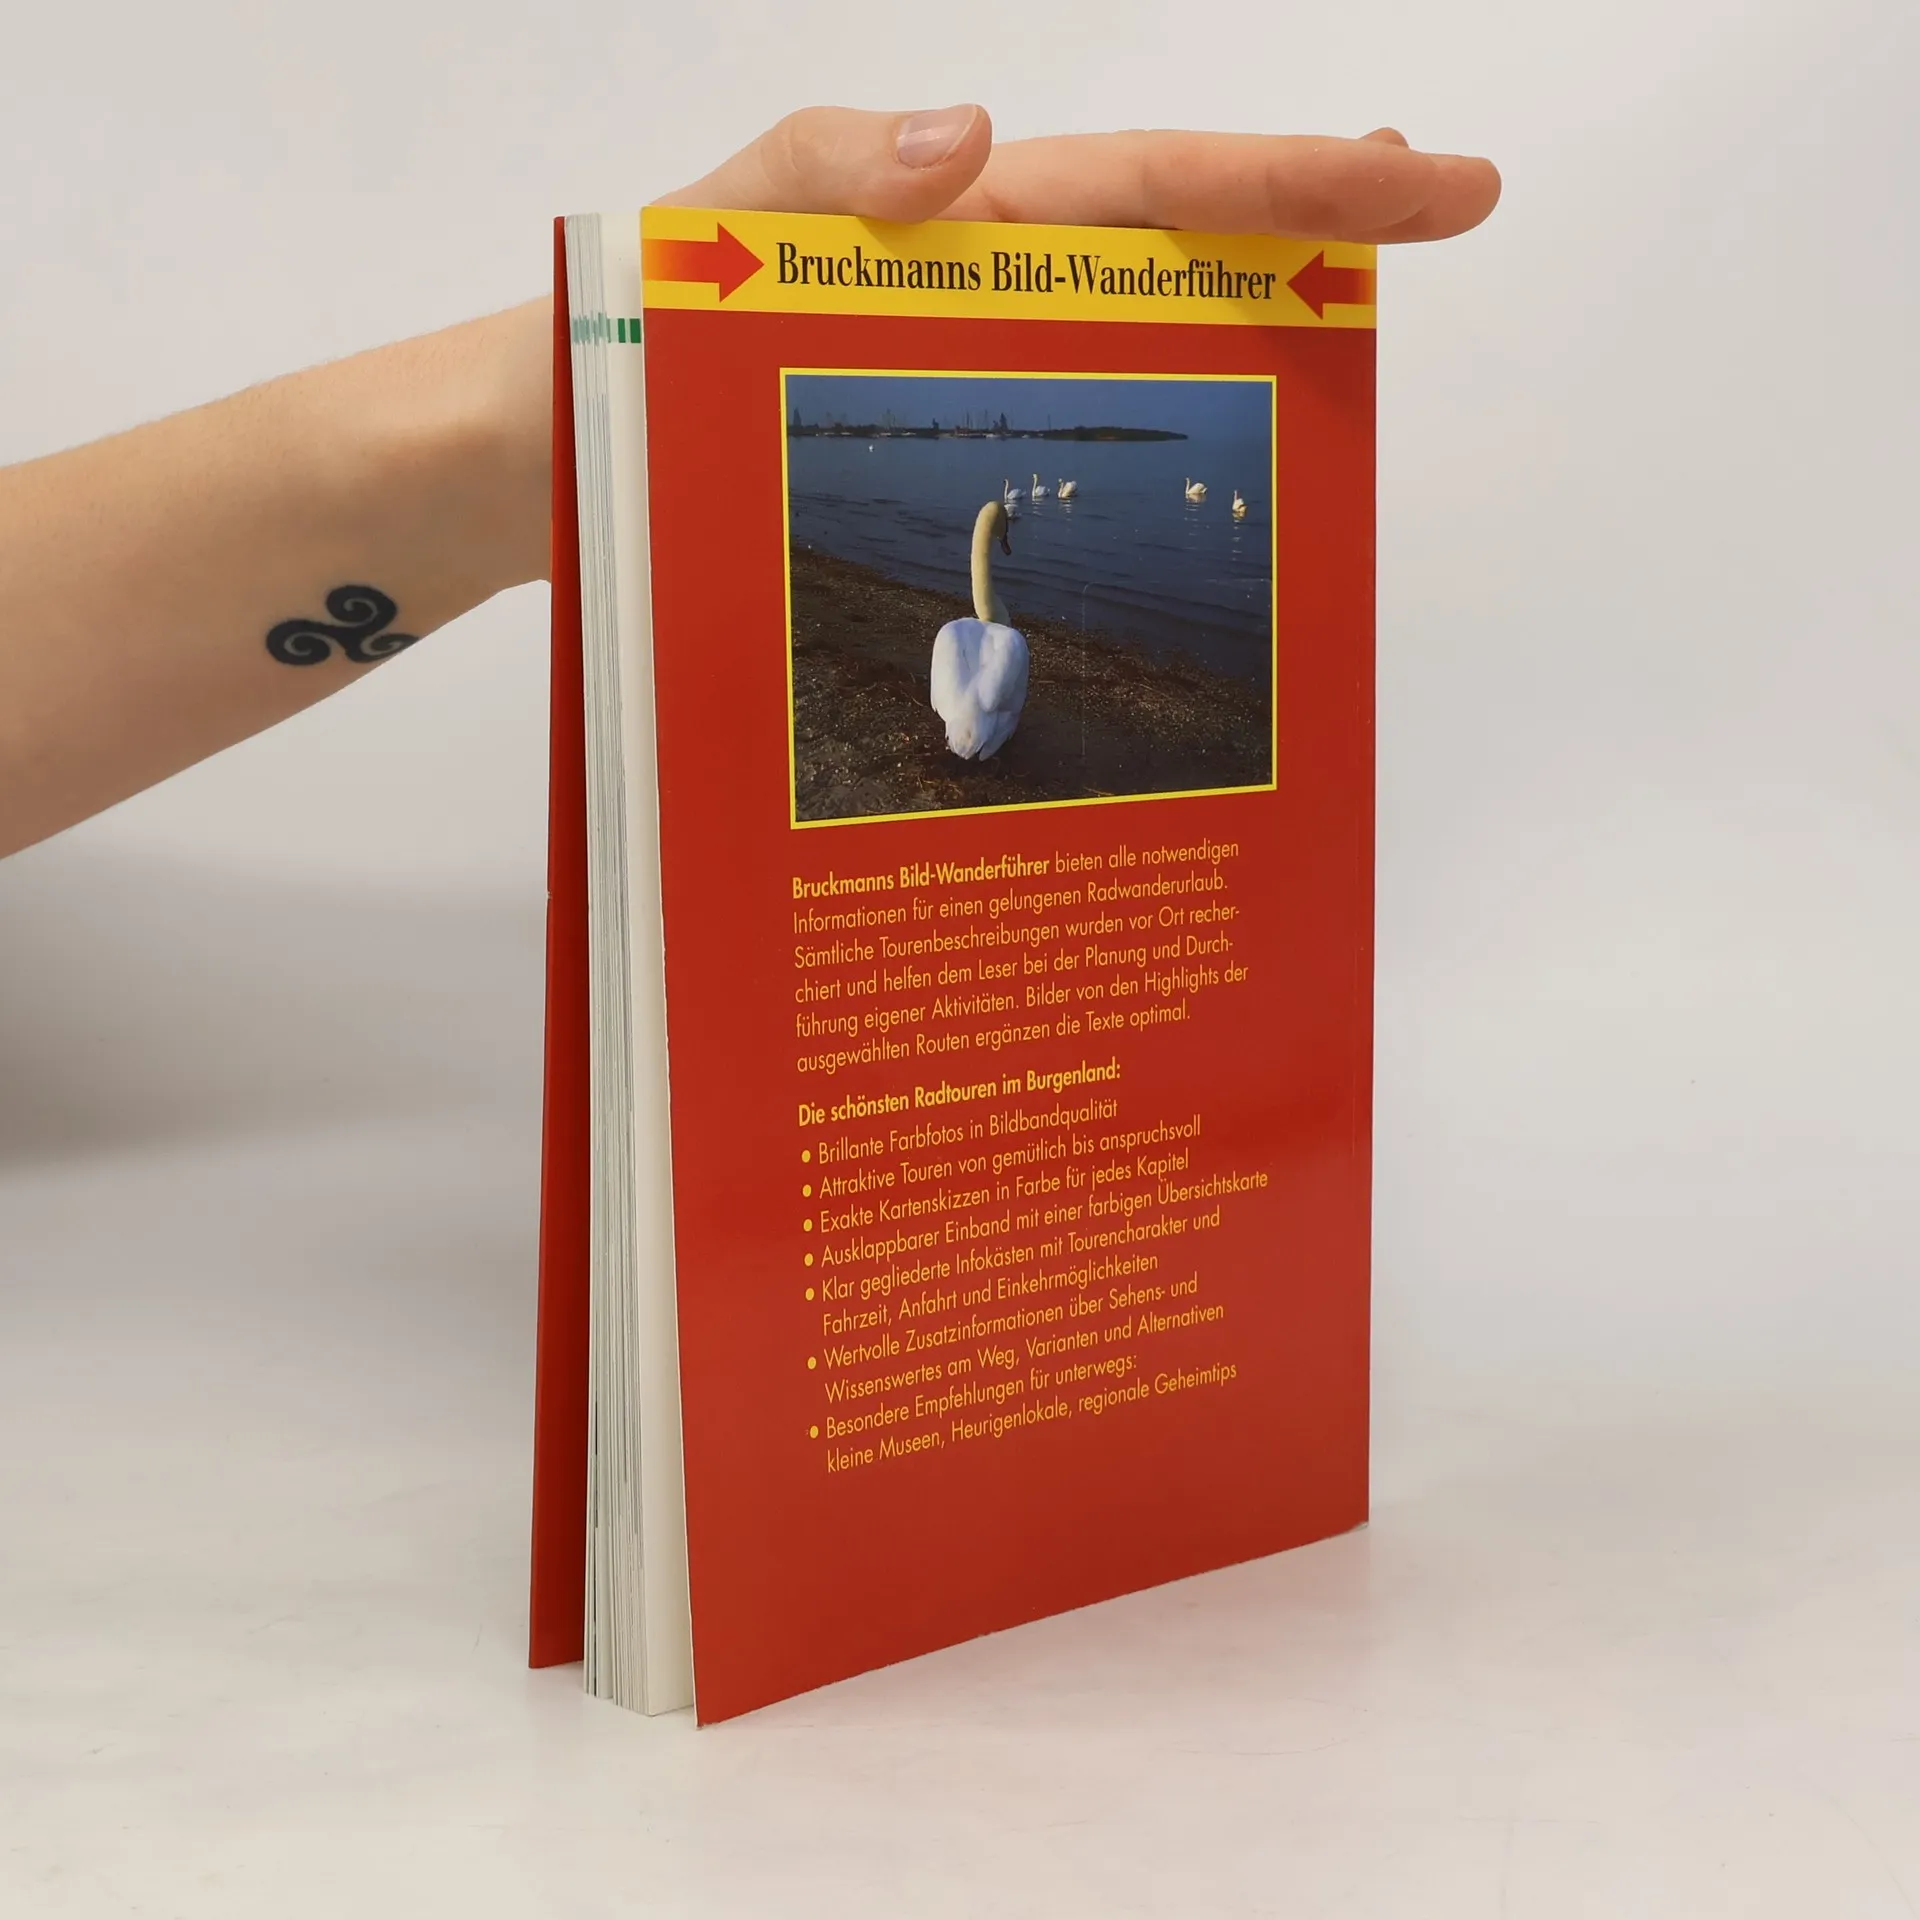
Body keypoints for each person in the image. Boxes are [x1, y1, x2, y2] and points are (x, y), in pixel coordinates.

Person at [0, 106, 1498, 859]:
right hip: (980, 706)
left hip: (960, 692)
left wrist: (526, 446)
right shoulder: (1001, 620)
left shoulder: (968, 617)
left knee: (975, 658)